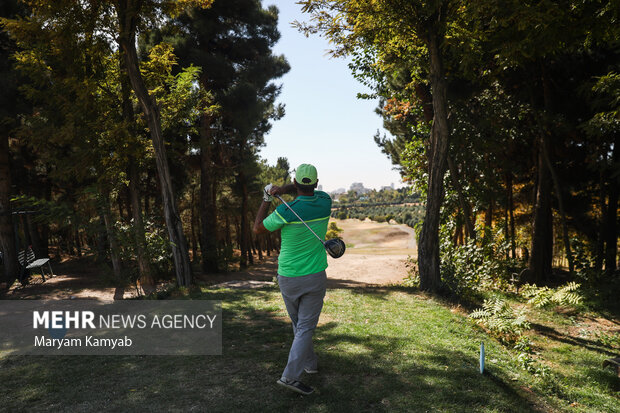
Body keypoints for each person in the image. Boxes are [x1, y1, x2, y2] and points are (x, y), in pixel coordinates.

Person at [253, 163, 332, 395]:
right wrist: (285, 190)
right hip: (315, 275)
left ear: (295, 183)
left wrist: (268, 197)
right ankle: (299, 371)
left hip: (288, 276)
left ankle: (303, 368)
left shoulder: (286, 211)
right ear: (316, 183)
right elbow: (307, 190)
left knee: (300, 324)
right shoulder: (325, 201)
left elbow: (257, 228)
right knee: (304, 326)